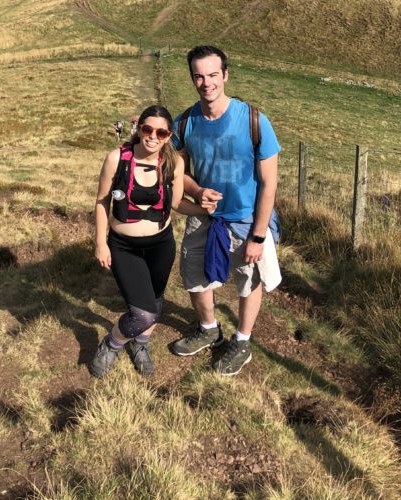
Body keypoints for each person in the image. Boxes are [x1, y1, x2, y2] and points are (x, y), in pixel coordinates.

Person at [170, 45, 281, 376]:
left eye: (213, 75)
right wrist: (197, 190)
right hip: (204, 218)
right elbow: (177, 174)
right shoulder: (185, 123)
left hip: (247, 219)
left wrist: (258, 236)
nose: (207, 83)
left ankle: (243, 340)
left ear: (226, 75)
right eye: (199, 76)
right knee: (194, 276)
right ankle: (208, 329)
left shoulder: (254, 121)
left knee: (248, 282)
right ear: (192, 79)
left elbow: (269, 184)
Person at [90, 104, 185, 378]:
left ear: (168, 136)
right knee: (142, 314)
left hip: (161, 245)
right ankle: (113, 342)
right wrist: (100, 242)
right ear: (139, 128)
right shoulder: (117, 158)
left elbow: (177, 203)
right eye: (147, 129)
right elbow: (102, 202)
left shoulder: (173, 163)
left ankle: (141, 344)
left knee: (154, 304)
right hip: (124, 246)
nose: (153, 136)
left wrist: (205, 207)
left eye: (161, 132)